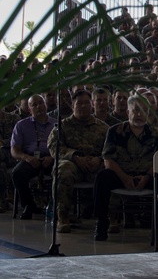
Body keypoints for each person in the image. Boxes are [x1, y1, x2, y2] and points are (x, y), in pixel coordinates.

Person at [93, 95, 158, 241]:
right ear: (128, 113)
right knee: (102, 177)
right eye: (136, 111)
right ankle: (102, 222)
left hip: (146, 175)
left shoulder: (156, 133)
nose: (139, 115)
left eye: (144, 111)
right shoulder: (115, 131)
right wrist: (124, 177)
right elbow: (108, 159)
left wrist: (146, 177)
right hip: (121, 174)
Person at [49, 89, 108, 233]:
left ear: (92, 105)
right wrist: (74, 156)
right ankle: (62, 216)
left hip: (95, 166)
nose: (83, 106)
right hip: (72, 164)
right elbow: (53, 147)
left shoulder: (103, 127)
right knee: (64, 169)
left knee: (110, 172)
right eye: (79, 103)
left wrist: (99, 159)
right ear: (72, 105)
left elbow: (111, 148)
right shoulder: (62, 126)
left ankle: (108, 217)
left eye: (87, 103)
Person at [10, 94, 56, 219]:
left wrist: (52, 157)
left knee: (61, 171)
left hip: (50, 157)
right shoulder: (21, 125)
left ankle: (54, 206)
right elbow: (14, 150)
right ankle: (28, 205)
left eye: (41, 103)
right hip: (30, 158)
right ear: (29, 110)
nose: (38, 106)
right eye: (34, 105)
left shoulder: (56, 124)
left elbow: (62, 146)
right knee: (17, 173)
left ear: (46, 105)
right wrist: (27, 158)